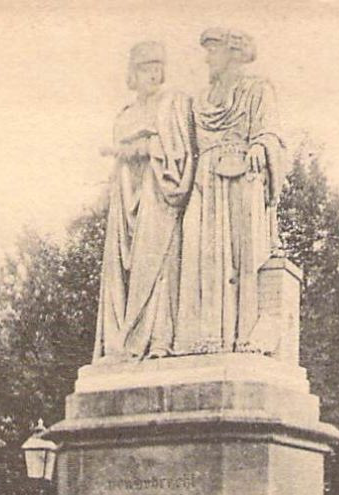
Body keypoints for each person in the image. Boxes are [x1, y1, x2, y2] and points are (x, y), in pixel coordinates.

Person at [173, 27, 285, 355]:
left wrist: (260, 146)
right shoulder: (200, 100)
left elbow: (271, 130)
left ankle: (242, 337)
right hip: (205, 179)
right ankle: (199, 338)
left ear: (233, 51)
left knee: (240, 253)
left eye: (213, 50)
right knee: (198, 249)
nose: (208, 58)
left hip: (242, 176)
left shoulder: (257, 89)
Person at [93, 40, 196, 361]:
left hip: (158, 190)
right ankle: (122, 342)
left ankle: (159, 341)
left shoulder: (173, 104)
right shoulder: (125, 114)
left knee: (161, 262)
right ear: (132, 73)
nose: (154, 74)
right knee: (124, 270)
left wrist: (140, 149)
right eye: (146, 67)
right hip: (126, 195)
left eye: (158, 67)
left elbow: (180, 150)